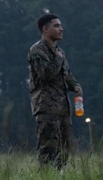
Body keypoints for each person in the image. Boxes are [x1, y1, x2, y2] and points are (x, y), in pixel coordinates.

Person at [28, 13, 83, 169]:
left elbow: (67, 75)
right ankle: (45, 179)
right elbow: (45, 75)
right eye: (56, 26)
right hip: (46, 107)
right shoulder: (37, 50)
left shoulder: (60, 51)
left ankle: (59, 179)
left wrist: (75, 86)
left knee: (65, 148)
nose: (61, 29)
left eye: (61, 25)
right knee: (48, 149)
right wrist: (57, 59)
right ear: (45, 29)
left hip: (63, 108)